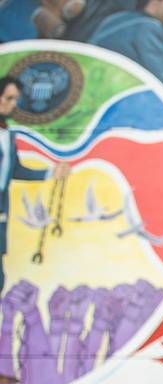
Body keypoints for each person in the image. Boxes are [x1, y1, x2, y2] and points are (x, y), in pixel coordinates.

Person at [0, 77, 70, 294]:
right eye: (9, 98)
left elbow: (16, 171)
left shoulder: (7, 135)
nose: (12, 104)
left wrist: (51, 172)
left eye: (16, 100)